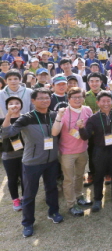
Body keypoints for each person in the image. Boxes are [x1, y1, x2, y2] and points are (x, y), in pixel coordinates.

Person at [2, 88, 63, 238]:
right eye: (41, 98)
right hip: (32, 162)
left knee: (52, 188)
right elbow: (6, 133)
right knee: (29, 194)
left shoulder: (55, 115)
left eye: (47, 98)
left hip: (52, 161)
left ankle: (53, 212)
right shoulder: (26, 118)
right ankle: (28, 223)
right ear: (33, 101)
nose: (45, 101)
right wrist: (9, 115)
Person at [78, 91, 112, 212]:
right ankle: (98, 199)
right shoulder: (93, 118)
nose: (106, 103)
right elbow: (86, 136)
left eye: (108, 101)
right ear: (98, 103)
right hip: (100, 150)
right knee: (98, 175)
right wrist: (81, 128)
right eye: (103, 101)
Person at [51, 87, 93, 216]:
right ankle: (71, 204)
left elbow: (91, 129)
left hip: (82, 150)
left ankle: (79, 196)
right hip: (67, 152)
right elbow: (54, 132)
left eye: (80, 97)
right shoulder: (63, 112)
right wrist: (59, 116)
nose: (78, 99)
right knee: (68, 179)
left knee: (80, 175)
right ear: (68, 99)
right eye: (74, 97)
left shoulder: (87, 110)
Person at [0, 96, 25, 212]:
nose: (14, 105)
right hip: (9, 155)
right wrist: (8, 116)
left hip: (24, 154)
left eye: (17, 103)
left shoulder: (25, 119)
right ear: (6, 107)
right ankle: (15, 199)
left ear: (21, 105)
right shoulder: (3, 120)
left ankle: (25, 197)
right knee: (12, 178)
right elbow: (4, 134)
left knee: (25, 177)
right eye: (10, 103)